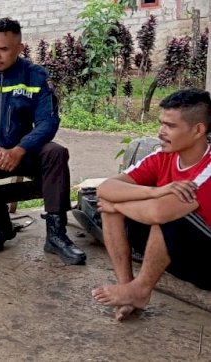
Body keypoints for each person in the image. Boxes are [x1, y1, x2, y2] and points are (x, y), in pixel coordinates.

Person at [0, 17, 86, 265]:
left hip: (22, 150)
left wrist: (20, 149)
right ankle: (1, 226)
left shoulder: (35, 77)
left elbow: (48, 121)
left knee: (56, 153)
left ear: (20, 49)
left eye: (3, 49)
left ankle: (56, 234)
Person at [93, 89, 211, 321]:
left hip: (207, 265)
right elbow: (105, 188)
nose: (161, 132)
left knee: (162, 214)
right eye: (161, 124)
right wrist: (155, 191)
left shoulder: (208, 168)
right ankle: (129, 289)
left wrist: (117, 205)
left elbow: (159, 212)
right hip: (177, 255)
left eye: (170, 126)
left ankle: (141, 288)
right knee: (113, 206)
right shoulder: (163, 156)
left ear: (198, 130)